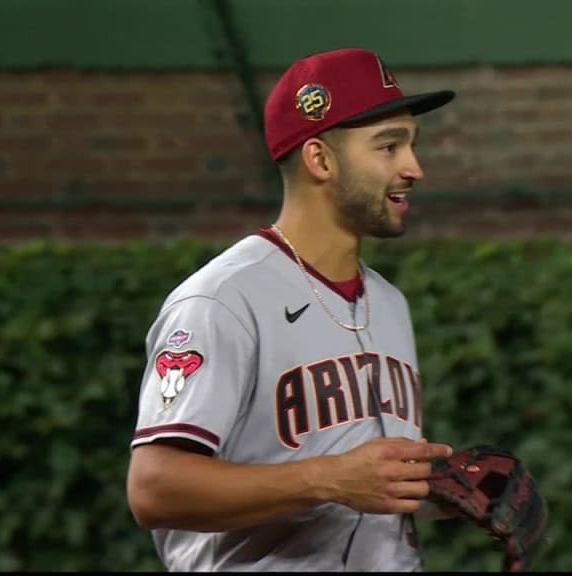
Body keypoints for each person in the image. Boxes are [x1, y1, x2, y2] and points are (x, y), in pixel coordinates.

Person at [126, 47, 458, 571]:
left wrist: (443, 488)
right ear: (320, 160)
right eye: (388, 147)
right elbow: (153, 487)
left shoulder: (389, 303)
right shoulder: (222, 300)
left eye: (411, 145)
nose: (413, 168)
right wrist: (327, 479)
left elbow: (360, 486)